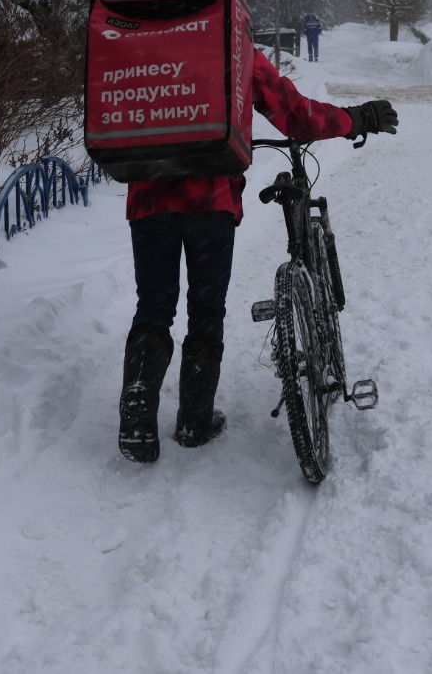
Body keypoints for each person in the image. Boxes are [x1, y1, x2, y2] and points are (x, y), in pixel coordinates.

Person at [119, 48, 399, 463]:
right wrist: (357, 118)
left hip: (149, 195)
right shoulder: (230, 49)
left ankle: (138, 408)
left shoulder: (142, 52)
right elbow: (297, 116)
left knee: (154, 306)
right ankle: (195, 422)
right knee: (206, 308)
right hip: (209, 200)